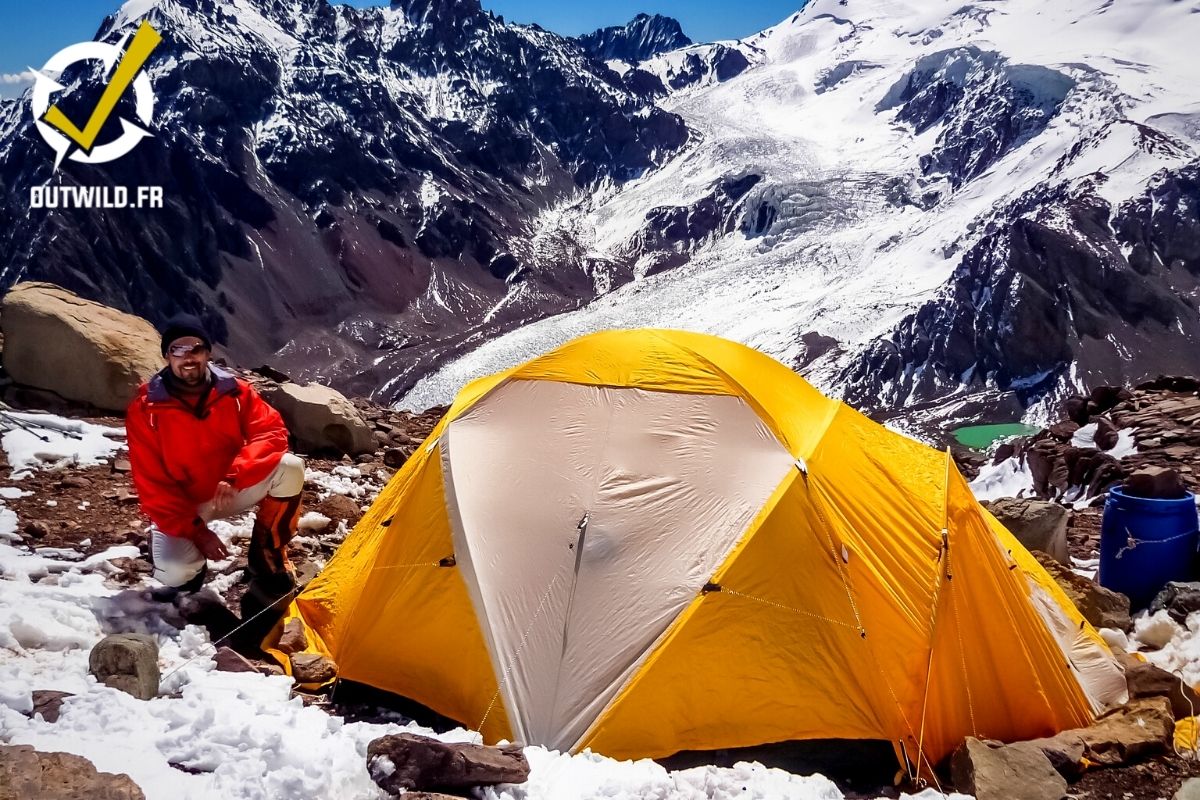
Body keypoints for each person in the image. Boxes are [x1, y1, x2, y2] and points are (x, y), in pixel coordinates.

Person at [126, 313, 305, 647]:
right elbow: (152, 485)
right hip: (188, 504)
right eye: (178, 349)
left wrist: (235, 474)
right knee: (174, 570)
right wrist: (197, 531)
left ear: (208, 353)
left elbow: (271, 433)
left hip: (230, 487)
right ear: (167, 356)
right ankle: (191, 582)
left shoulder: (235, 393)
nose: (188, 357)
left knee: (289, 467)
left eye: (196, 348)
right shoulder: (146, 408)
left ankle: (266, 556)